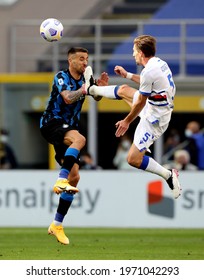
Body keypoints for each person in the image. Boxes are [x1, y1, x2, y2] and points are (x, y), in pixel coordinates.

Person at [84, 35, 181, 199]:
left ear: (141, 53)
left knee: (133, 159)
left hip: (154, 120)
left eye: (134, 51)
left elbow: (141, 102)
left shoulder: (150, 71)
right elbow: (146, 82)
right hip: (155, 107)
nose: (133, 55)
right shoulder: (158, 63)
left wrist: (127, 121)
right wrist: (128, 75)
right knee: (123, 90)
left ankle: (168, 175)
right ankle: (91, 89)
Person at [40, 47, 108, 245]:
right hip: (52, 122)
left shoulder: (86, 79)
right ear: (71, 61)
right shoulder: (61, 76)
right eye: (81, 59)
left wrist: (99, 89)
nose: (85, 62)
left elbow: (95, 96)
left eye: (86, 59)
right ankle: (60, 179)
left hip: (69, 127)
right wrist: (86, 89)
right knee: (80, 140)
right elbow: (68, 98)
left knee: (75, 177)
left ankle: (57, 225)